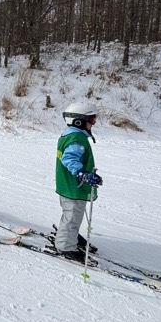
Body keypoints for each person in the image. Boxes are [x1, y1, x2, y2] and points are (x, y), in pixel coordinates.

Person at [53, 102, 103, 262]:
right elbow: (69, 159)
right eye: (92, 119)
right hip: (74, 187)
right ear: (79, 121)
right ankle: (65, 246)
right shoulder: (77, 139)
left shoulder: (69, 134)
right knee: (73, 215)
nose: (93, 122)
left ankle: (69, 234)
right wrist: (83, 174)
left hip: (68, 186)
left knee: (71, 214)